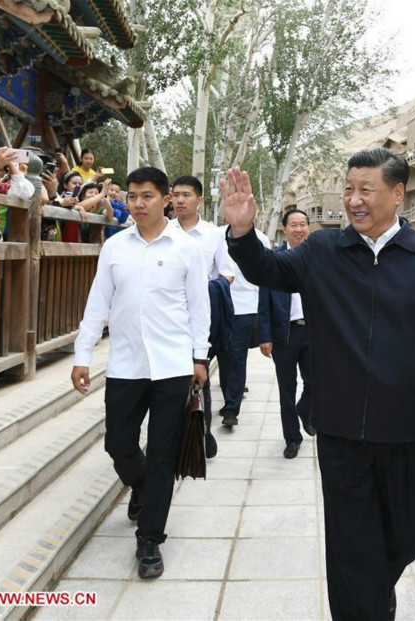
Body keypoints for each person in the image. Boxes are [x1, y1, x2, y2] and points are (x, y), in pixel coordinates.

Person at [221, 148, 415, 621]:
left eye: (366, 191)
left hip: (406, 429)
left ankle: (373, 594)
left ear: (397, 195)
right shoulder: (322, 251)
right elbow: (268, 271)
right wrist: (241, 230)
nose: (353, 201)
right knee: (350, 544)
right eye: (348, 190)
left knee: (409, 534)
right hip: (340, 429)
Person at [70, 167, 209, 580]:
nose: (137, 204)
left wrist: (199, 358)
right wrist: (82, 353)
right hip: (126, 365)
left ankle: (150, 539)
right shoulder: (115, 248)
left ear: (166, 199)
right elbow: (98, 304)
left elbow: (199, 309)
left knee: (164, 454)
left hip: (172, 367)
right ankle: (144, 488)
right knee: (119, 444)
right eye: (131, 196)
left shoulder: (187, 248)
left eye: (146, 196)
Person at [169, 174, 234, 455]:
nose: (180, 200)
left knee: (199, 375)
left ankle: (202, 433)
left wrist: (201, 290)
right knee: (170, 379)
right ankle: (174, 437)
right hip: (167, 318)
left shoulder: (213, 235)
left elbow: (228, 274)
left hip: (200, 317)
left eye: (186, 195)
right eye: (176, 195)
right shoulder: (162, 230)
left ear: (199, 200)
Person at [257, 208, 316, 459]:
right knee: (286, 389)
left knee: (317, 383)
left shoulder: (318, 258)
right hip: (285, 334)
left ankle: (305, 409)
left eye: (303, 224)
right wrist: (264, 335)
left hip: (314, 332)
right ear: (285, 229)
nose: (299, 229)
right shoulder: (274, 259)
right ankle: (292, 437)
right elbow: (264, 300)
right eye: (294, 225)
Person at [217, 218, 271, 428]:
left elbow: (266, 273)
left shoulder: (261, 239)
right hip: (220, 306)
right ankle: (228, 397)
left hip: (246, 307)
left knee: (237, 357)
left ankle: (231, 408)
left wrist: (262, 309)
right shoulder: (216, 235)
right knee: (224, 356)